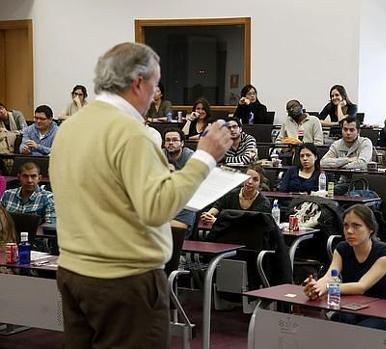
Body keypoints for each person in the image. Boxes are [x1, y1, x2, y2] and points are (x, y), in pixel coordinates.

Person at [49, 42, 232, 349]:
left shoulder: (70, 127)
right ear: (138, 83)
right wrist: (205, 158)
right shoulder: (131, 133)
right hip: (123, 281)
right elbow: (157, 209)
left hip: (74, 272)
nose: (156, 94)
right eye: (155, 85)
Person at [303, 204, 386, 330]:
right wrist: (316, 287)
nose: (349, 231)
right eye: (346, 226)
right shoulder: (342, 249)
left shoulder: (384, 254)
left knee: (358, 332)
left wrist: (327, 288)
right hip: (352, 307)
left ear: (371, 229)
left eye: (356, 226)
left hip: (381, 313)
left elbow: (361, 286)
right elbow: (331, 275)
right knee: (333, 325)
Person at [200, 164, 270, 226]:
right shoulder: (231, 194)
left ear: (260, 183)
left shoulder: (263, 203)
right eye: (247, 177)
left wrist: (217, 221)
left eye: (255, 179)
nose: (250, 182)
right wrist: (208, 215)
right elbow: (218, 206)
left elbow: (248, 225)